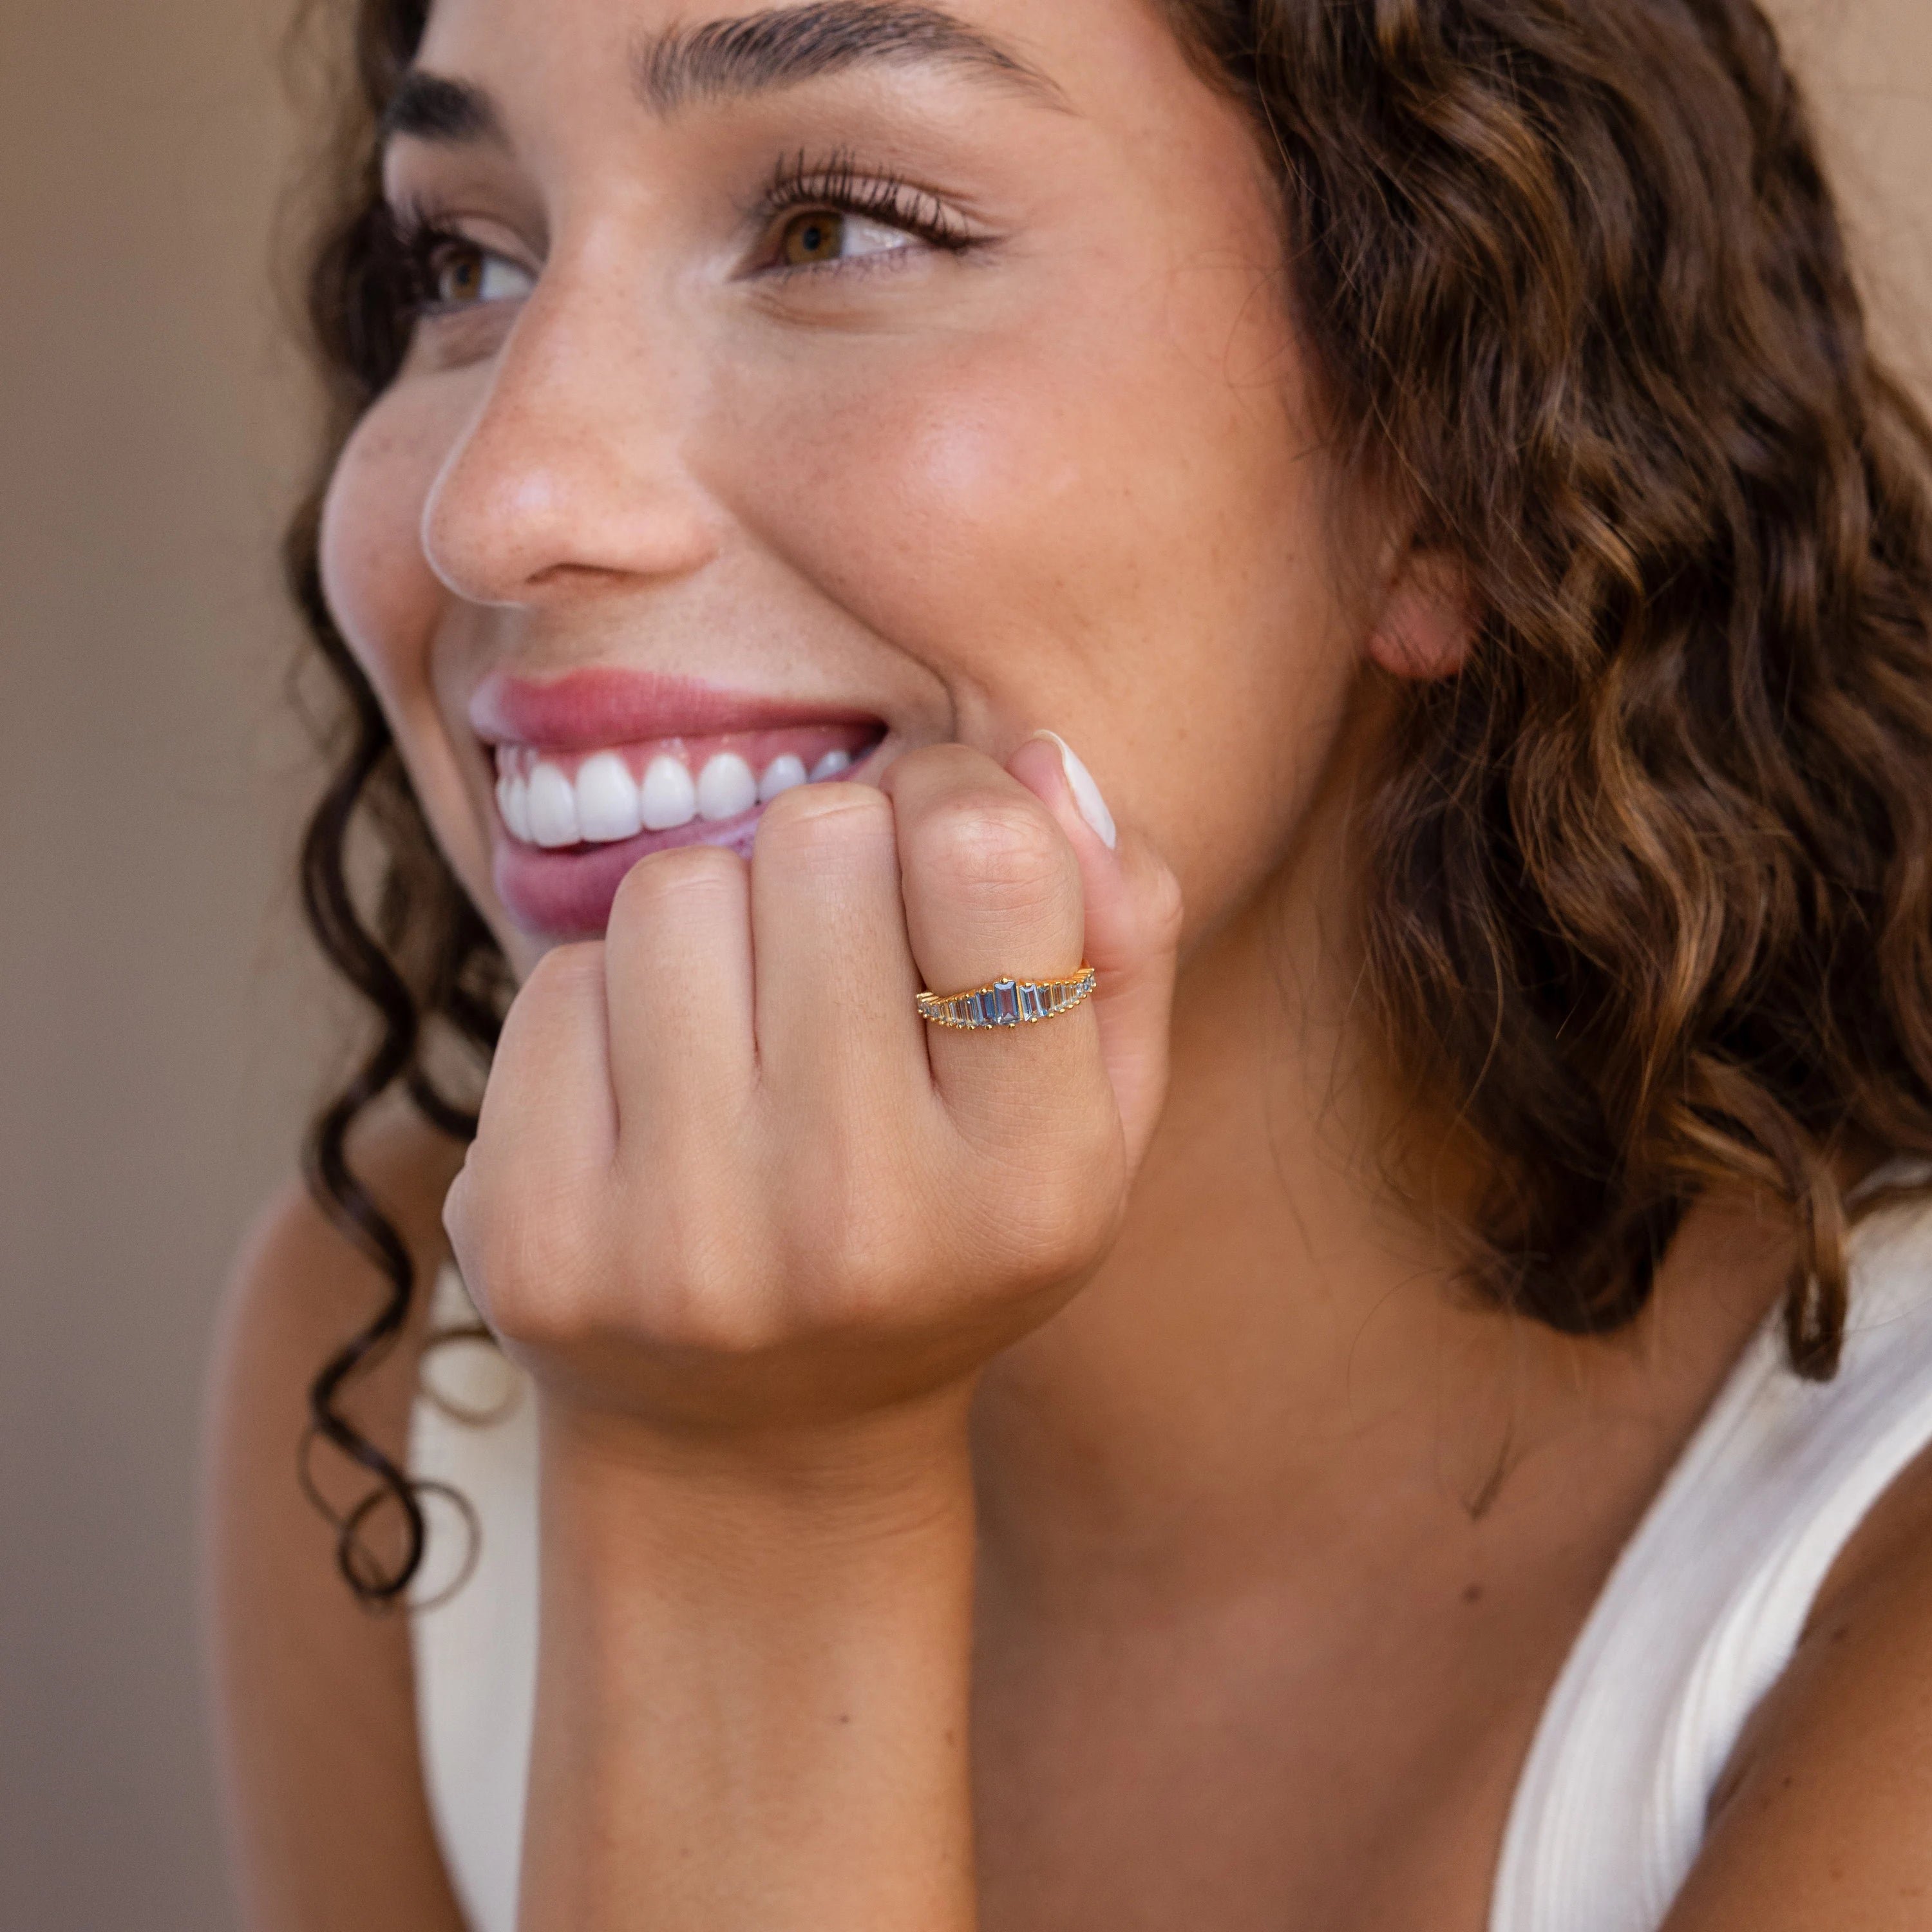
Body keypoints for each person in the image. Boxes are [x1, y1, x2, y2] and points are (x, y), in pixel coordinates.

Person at [204, 0, 1932, 1926]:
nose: (499, 504)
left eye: (838, 226)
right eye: (466, 261)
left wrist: (748, 1501)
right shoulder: (393, 1386)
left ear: (1458, 446)